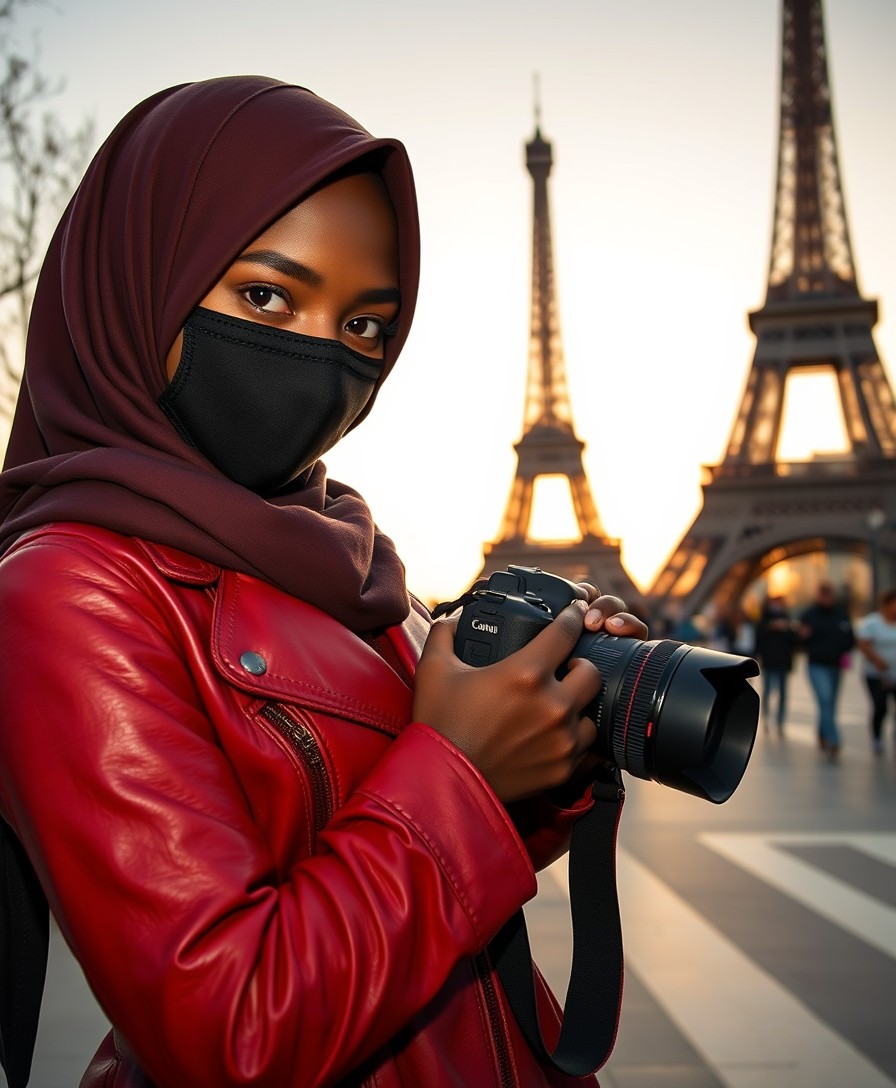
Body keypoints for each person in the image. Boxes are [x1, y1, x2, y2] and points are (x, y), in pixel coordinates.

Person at [0, 77, 648, 1088]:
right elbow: (230, 1033)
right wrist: (463, 768)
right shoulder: (68, 591)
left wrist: (542, 753)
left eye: (362, 327)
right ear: (139, 280)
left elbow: (398, 861)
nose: (317, 359)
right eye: (265, 294)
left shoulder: (340, 556)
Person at [798, 582, 855, 759]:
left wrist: (843, 649)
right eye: (824, 594)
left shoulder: (841, 614)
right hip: (817, 665)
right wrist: (802, 636)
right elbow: (800, 641)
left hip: (836, 665)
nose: (827, 598)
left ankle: (823, 734)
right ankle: (833, 739)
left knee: (829, 703)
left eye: (829, 594)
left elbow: (851, 638)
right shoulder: (808, 615)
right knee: (825, 698)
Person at [855, 587, 896, 755]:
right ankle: (877, 738)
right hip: (876, 674)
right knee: (881, 707)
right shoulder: (873, 623)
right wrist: (877, 660)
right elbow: (863, 645)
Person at [753, 595, 799, 735]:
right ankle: (766, 718)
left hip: (783, 662)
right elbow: (758, 640)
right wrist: (770, 628)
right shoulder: (763, 621)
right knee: (767, 691)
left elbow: (795, 642)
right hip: (769, 661)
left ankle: (780, 721)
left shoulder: (788, 620)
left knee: (783, 693)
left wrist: (786, 629)